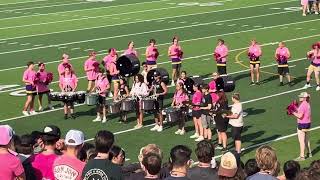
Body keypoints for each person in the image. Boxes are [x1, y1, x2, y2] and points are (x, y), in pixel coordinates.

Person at [292, 92, 312, 161]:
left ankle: (302, 156)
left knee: (301, 141)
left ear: (304, 98)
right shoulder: (307, 103)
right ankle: (309, 153)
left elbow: (300, 116)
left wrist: (293, 112)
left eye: (301, 97)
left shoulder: (303, 105)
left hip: (302, 124)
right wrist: (296, 108)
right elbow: (301, 111)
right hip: (308, 123)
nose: (299, 97)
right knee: (306, 139)